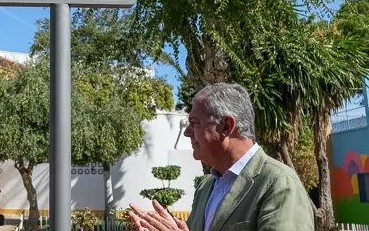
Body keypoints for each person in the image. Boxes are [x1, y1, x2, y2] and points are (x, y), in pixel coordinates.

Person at [129, 83, 314, 231]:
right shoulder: (206, 187)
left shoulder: (279, 183)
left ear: (226, 126)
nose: (187, 132)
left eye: (194, 123)